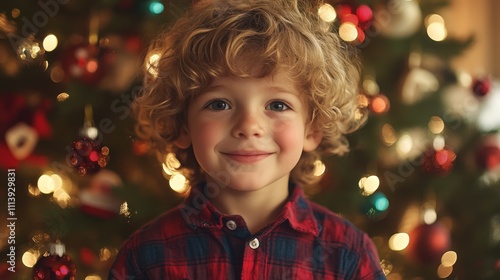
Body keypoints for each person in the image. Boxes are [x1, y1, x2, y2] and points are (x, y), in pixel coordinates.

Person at [109, 0, 386, 279]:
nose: (248, 126)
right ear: (182, 125)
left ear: (312, 130)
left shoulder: (349, 254)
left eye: (278, 105)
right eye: (219, 104)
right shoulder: (145, 256)